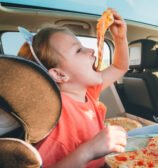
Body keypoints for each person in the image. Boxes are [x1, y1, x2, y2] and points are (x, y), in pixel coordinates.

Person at [17, 9, 128, 168]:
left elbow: (119, 67)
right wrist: (88, 150)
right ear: (60, 75)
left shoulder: (88, 92)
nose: (91, 50)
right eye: (78, 50)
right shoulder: (57, 117)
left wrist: (120, 38)